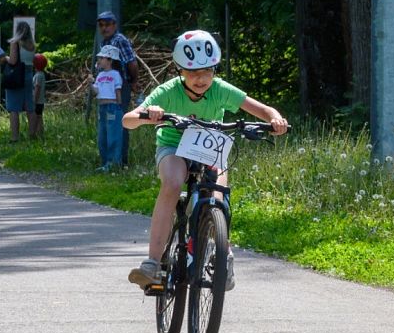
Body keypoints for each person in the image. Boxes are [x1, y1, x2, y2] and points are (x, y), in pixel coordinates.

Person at [122, 30, 289, 292]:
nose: (201, 79)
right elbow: (127, 120)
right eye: (193, 73)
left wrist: (275, 118)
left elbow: (261, 109)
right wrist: (147, 114)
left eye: (207, 72)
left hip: (210, 147)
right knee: (174, 182)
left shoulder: (221, 90)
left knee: (218, 194)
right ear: (180, 72)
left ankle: (223, 254)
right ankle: (153, 262)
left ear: (215, 69)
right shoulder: (168, 91)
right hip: (174, 146)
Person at [96, 11, 140, 166]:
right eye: (101, 25)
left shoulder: (119, 40)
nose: (104, 28)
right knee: (106, 124)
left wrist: (134, 81)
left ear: (114, 25)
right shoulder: (103, 42)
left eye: (107, 24)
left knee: (120, 122)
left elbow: (131, 62)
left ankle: (120, 161)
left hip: (120, 87)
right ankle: (108, 160)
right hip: (106, 90)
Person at [90, 45, 123, 171]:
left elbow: (118, 91)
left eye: (102, 58)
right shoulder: (99, 75)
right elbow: (95, 92)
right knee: (102, 136)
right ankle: (105, 163)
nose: (99, 60)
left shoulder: (115, 74)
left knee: (113, 136)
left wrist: (118, 106)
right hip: (102, 107)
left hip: (112, 107)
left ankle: (113, 163)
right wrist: (90, 83)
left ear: (110, 60)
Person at [4, 20, 36, 143]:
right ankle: (32, 135)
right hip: (29, 73)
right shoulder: (32, 44)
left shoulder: (15, 43)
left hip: (17, 75)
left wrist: (5, 58)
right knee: (29, 106)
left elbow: (13, 61)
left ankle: (15, 137)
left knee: (14, 107)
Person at [31, 53, 48, 139]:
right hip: (41, 101)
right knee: (39, 117)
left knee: (36, 118)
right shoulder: (42, 74)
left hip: (37, 101)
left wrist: (34, 100)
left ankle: (36, 134)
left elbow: (37, 88)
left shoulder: (38, 76)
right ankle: (41, 134)